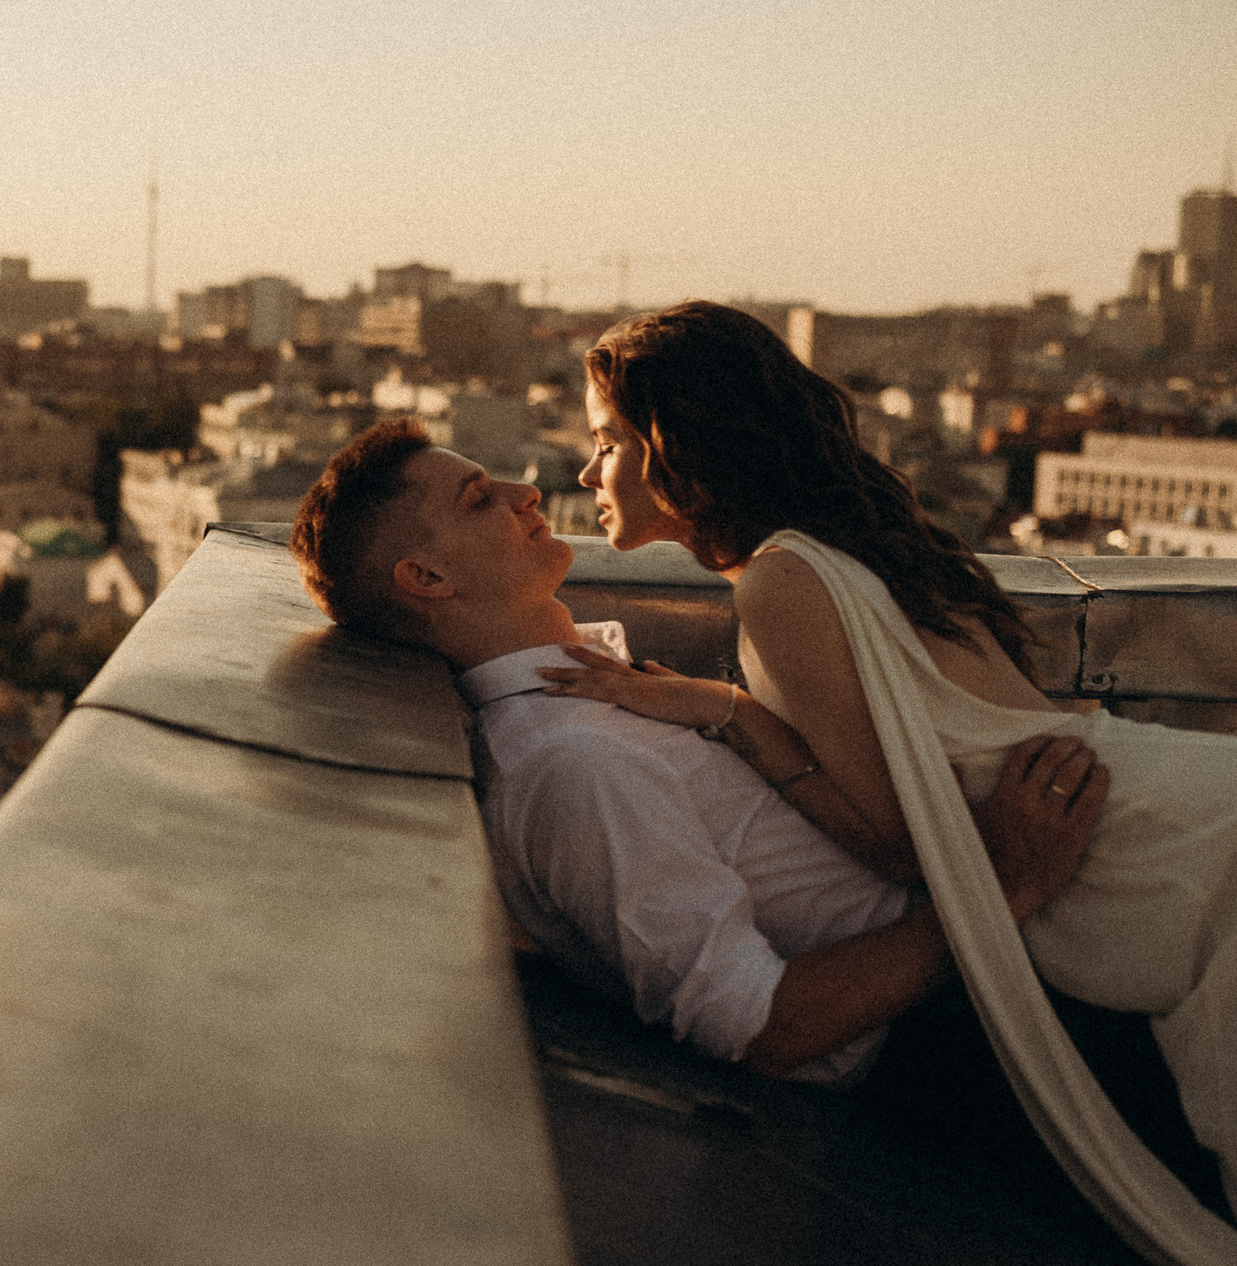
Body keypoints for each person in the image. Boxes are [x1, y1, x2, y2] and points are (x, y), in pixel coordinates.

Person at [541, 299, 1237, 1266]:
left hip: (1137, 843)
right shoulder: (868, 546)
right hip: (1159, 792)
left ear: (671, 443)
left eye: (605, 441)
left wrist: (725, 710)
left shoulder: (779, 580)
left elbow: (901, 846)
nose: (584, 470)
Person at [287, 417, 1106, 1085]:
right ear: (426, 578)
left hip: (1010, 967)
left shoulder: (597, 697)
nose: (525, 490)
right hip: (984, 1032)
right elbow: (759, 1026)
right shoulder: (573, 765)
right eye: (479, 500)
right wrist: (1000, 889)